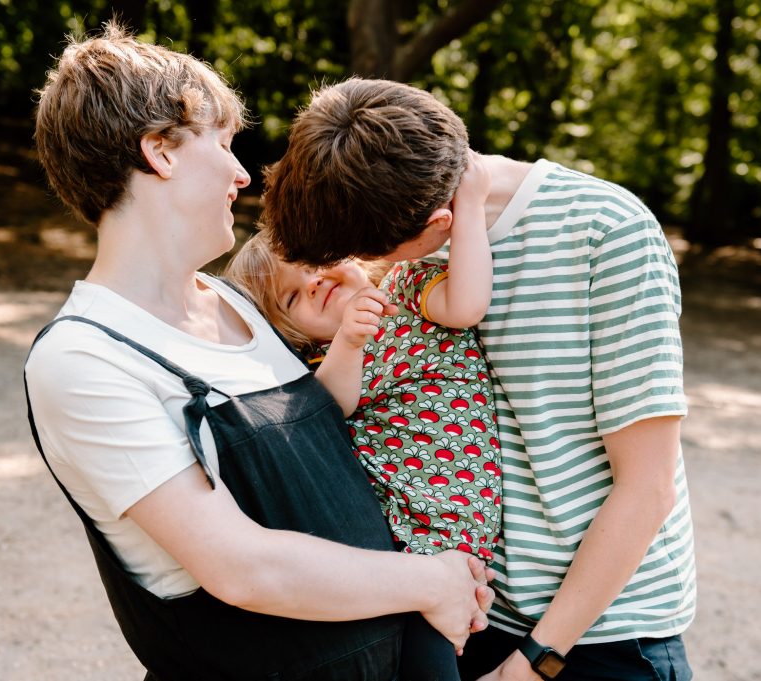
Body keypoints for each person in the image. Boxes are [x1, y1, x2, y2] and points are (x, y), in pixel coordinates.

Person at [24, 28, 494, 681]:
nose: (243, 173)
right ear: (160, 151)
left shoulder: (235, 303)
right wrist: (430, 580)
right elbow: (242, 566)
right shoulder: (86, 357)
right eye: (223, 143)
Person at [260, 77, 696, 681]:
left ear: (439, 222)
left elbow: (647, 486)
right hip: (466, 609)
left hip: (594, 639)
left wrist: (536, 661)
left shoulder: (607, 231)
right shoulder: (399, 242)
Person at [225, 152, 502, 679]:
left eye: (313, 260)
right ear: (295, 332)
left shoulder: (406, 288)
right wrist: (349, 342)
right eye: (291, 295)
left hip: (453, 525)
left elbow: (466, 306)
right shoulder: (325, 359)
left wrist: (469, 205)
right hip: (397, 535)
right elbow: (325, 415)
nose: (312, 281)